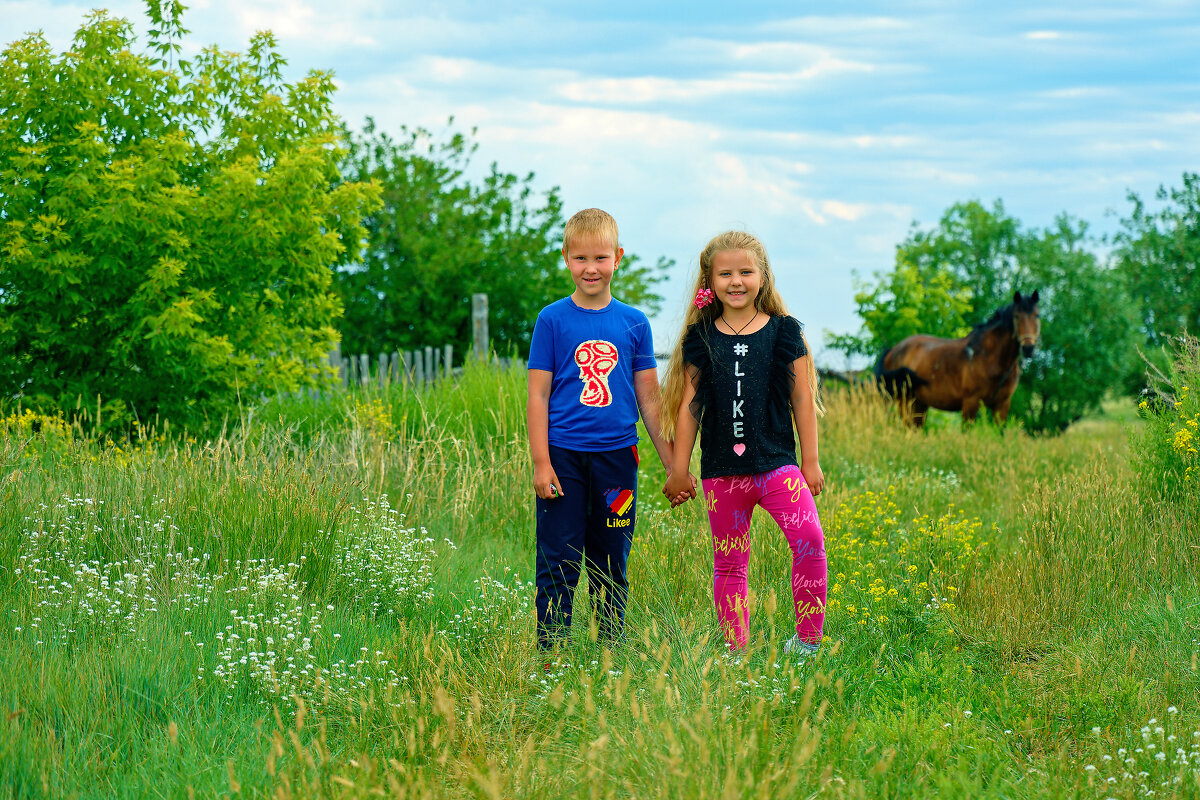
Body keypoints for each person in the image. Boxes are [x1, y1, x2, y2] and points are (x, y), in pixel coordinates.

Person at [662, 230, 827, 656]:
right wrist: (679, 470)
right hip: (722, 474)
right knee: (730, 565)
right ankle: (736, 651)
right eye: (725, 273)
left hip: (778, 468)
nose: (736, 281)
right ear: (710, 281)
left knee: (810, 540)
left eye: (745, 272)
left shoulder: (784, 331)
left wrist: (811, 462)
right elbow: (689, 406)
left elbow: (802, 400)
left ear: (763, 276)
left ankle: (808, 641)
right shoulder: (701, 338)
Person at [526, 208, 683, 652]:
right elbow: (537, 397)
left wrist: (673, 462)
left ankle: (608, 651)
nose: (590, 268)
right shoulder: (552, 321)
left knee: (612, 556)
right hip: (563, 461)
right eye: (580, 259)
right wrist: (541, 463)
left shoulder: (634, 323)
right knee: (558, 557)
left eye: (599, 258)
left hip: (618, 461)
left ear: (618, 258)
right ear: (565, 259)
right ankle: (550, 654)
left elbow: (649, 400)